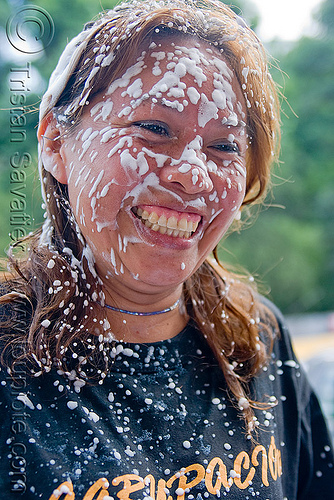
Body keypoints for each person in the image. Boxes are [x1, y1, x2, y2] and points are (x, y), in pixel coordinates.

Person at [0, 0, 333, 498]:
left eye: (225, 148)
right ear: (54, 142)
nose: (194, 174)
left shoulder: (258, 340)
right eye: (153, 130)